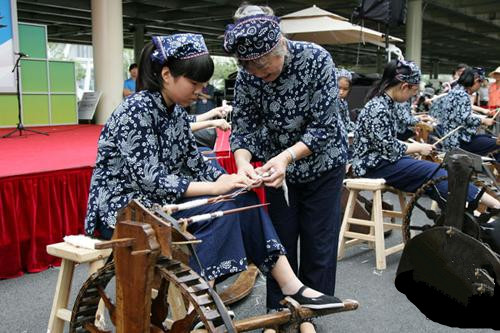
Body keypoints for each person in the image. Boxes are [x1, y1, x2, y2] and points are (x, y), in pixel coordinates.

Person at [84, 33, 344, 318]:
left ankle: (289, 285)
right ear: (167, 75)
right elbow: (152, 180)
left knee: (242, 197)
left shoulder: (175, 113)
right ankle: (203, 294)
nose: (200, 90)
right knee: (223, 208)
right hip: (124, 210)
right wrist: (217, 187)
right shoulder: (135, 111)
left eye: (202, 84)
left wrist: (234, 180)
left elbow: (196, 163)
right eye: (194, 83)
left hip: (156, 202)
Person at [224, 5, 347, 332]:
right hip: (278, 173)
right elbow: (244, 126)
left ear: (281, 45)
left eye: (266, 69)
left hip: (323, 165)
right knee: (279, 242)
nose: (261, 77)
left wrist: (286, 156)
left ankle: (308, 317)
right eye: (254, 72)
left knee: (318, 245)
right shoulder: (249, 77)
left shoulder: (316, 60)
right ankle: (278, 315)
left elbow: (325, 127)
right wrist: (244, 163)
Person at [351, 59, 499, 209]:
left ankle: (463, 214)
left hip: (380, 161)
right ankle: (491, 206)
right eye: (413, 91)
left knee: (434, 177)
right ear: (404, 86)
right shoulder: (379, 108)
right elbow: (389, 147)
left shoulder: (384, 103)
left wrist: (416, 146)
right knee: (436, 172)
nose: (411, 96)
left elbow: (385, 142)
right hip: (372, 165)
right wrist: (419, 148)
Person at [436, 67, 499, 160]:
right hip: (459, 141)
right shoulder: (462, 94)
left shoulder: (455, 91)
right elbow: (465, 118)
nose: (479, 87)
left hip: (454, 138)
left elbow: (459, 115)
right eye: (480, 83)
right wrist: (483, 120)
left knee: (491, 137)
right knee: (497, 142)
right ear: (476, 81)